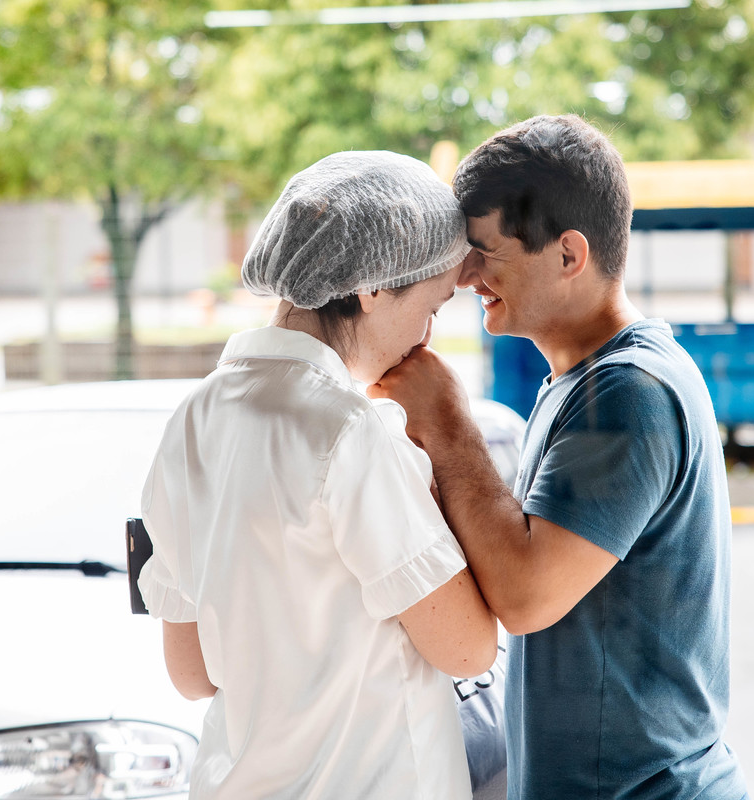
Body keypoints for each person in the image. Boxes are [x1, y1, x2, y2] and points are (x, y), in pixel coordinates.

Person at [370, 115, 749, 799]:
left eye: (487, 252)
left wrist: (447, 422)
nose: (463, 276)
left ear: (569, 256)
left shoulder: (630, 392)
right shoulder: (579, 382)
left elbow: (525, 596)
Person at [138, 150, 498, 799]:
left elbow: (190, 672)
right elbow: (468, 649)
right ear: (373, 287)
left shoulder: (192, 421)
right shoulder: (352, 431)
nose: (425, 336)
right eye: (433, 306)